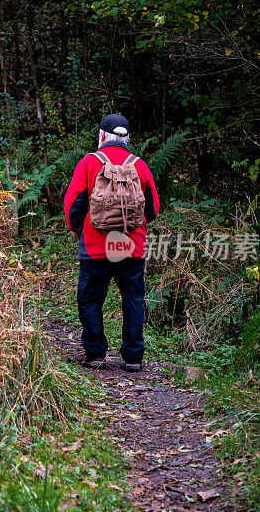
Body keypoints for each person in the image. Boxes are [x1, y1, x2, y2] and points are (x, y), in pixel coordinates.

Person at [63, 114, 160, 371]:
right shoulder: (139, 166)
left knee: (90, 299)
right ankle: (133, 357)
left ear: (102, 136)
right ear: (127, 138)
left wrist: (79, 232)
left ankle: (95, 354)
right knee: (133, 298)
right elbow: (152, 209)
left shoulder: (89, 163)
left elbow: (73, 205)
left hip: (96, 247)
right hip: (131, 246)